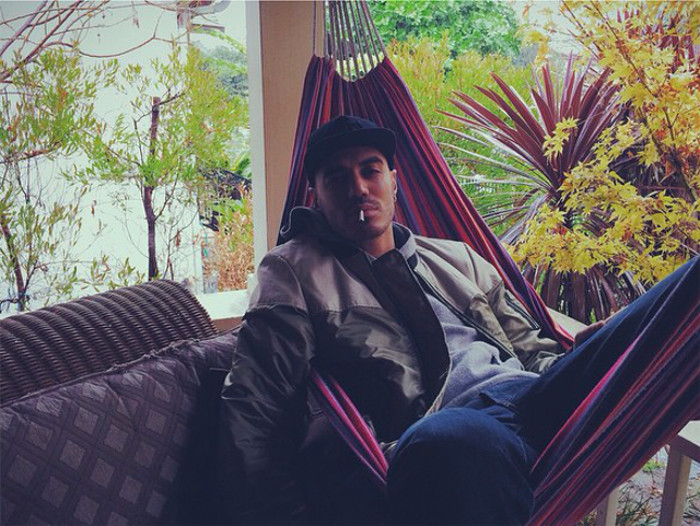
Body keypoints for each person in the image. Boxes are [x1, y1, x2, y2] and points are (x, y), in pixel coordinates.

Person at [218, 115, 698, 525]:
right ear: (315, 195)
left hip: (539, 399)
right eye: (337, 177)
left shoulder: (457, 257)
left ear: (394, 180)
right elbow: (258, 401)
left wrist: (590, 354)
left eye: (370, 170)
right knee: (451, 441)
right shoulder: (294, 271)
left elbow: (531, 348)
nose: (358, 188)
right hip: (448, 430)